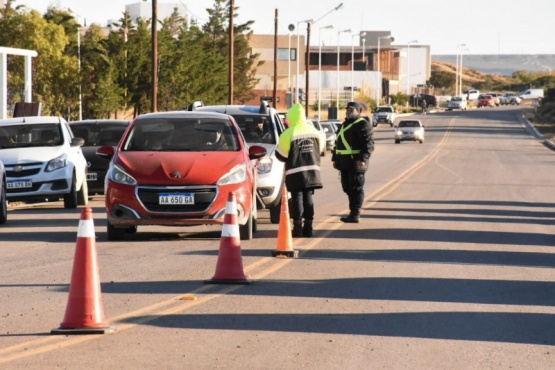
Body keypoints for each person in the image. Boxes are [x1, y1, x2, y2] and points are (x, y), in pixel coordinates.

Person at [275, 103, 324, 237]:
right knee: (308, 197)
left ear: (292, 117)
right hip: (312, 171)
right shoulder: (314, 131)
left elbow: (281, 155)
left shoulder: (289, 132)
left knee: (297, 198)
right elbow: (319, 150)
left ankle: (297, 228)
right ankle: (309, 227)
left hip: (295, 172)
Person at [331, 102, 374, 223]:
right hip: (343, 163)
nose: (348, 111)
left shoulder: (363, 124)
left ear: (359, 111)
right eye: (348, 109)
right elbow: (337, 144)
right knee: (347, 188)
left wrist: (363, 159)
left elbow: (369, 144)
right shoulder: (344, 125)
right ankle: (352, 212)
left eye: (352, 109)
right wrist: (335, 159)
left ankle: (355, 214)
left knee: (356, 188)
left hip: (356, 162)